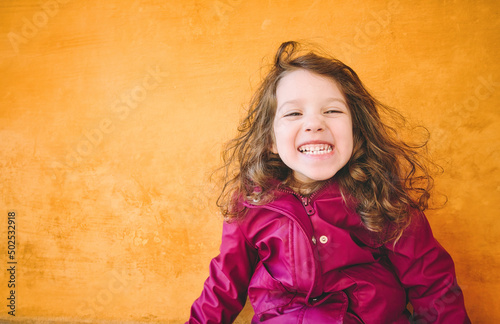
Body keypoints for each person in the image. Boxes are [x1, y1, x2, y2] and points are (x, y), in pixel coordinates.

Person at [187, 41, 470, 323]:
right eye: (294, 113)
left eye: (332, 111)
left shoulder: (380, 195)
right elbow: (223, 286)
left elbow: (433, 286)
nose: (315, 123)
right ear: (270, 140)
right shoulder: (251, 203)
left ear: (356, 132)